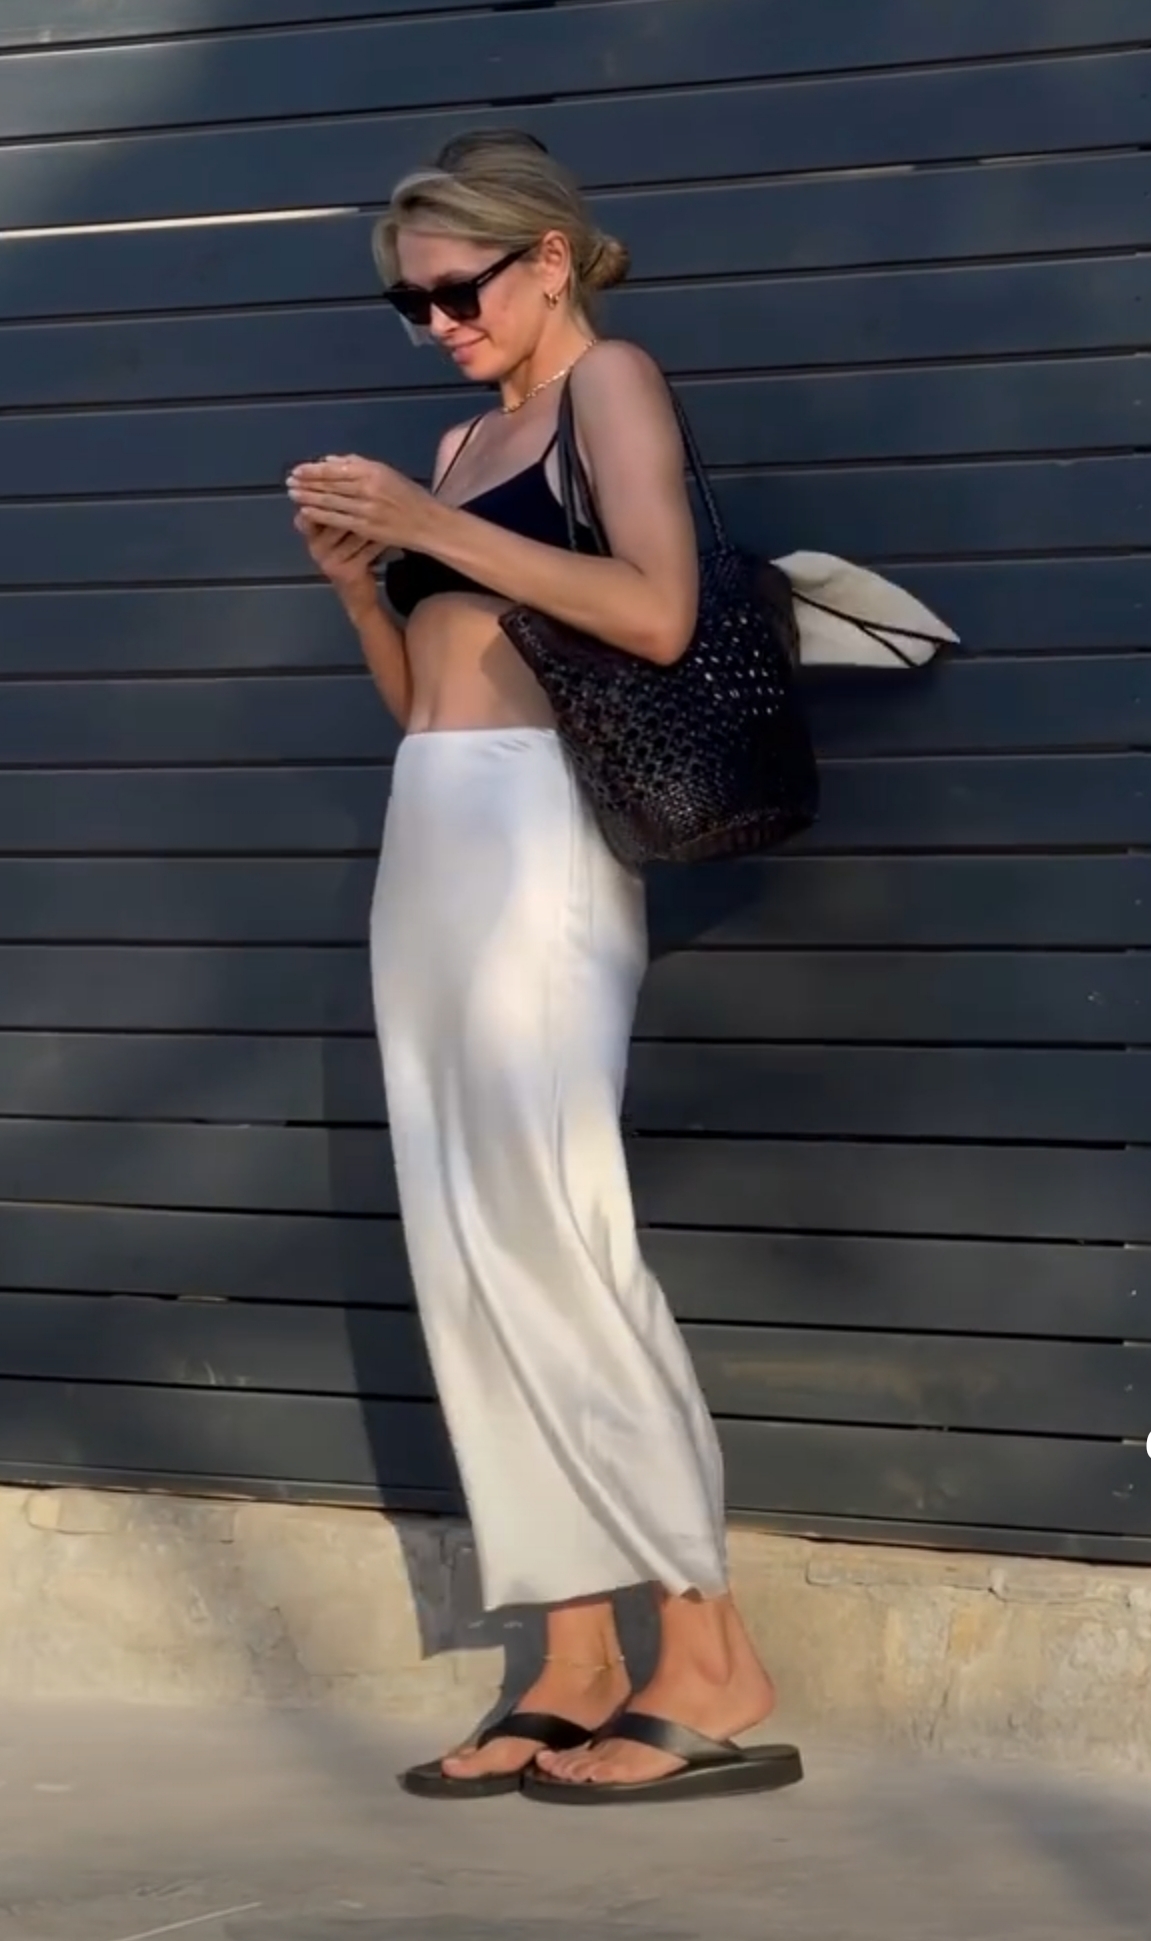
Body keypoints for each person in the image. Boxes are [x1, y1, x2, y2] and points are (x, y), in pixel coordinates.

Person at [287, 130, 800, 1806]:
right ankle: (575, 1656)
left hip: (541, 847)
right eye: (411, 303)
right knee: (462, 1239)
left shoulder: (608, 388)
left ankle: (709, 1653)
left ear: (552, 258)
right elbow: (429, 696)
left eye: (460, 290)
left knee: (556, 1230)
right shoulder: (464, 436)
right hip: (434, 825)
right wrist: (365, 587)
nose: (438, 323)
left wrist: (434, 521)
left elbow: (655, 613)